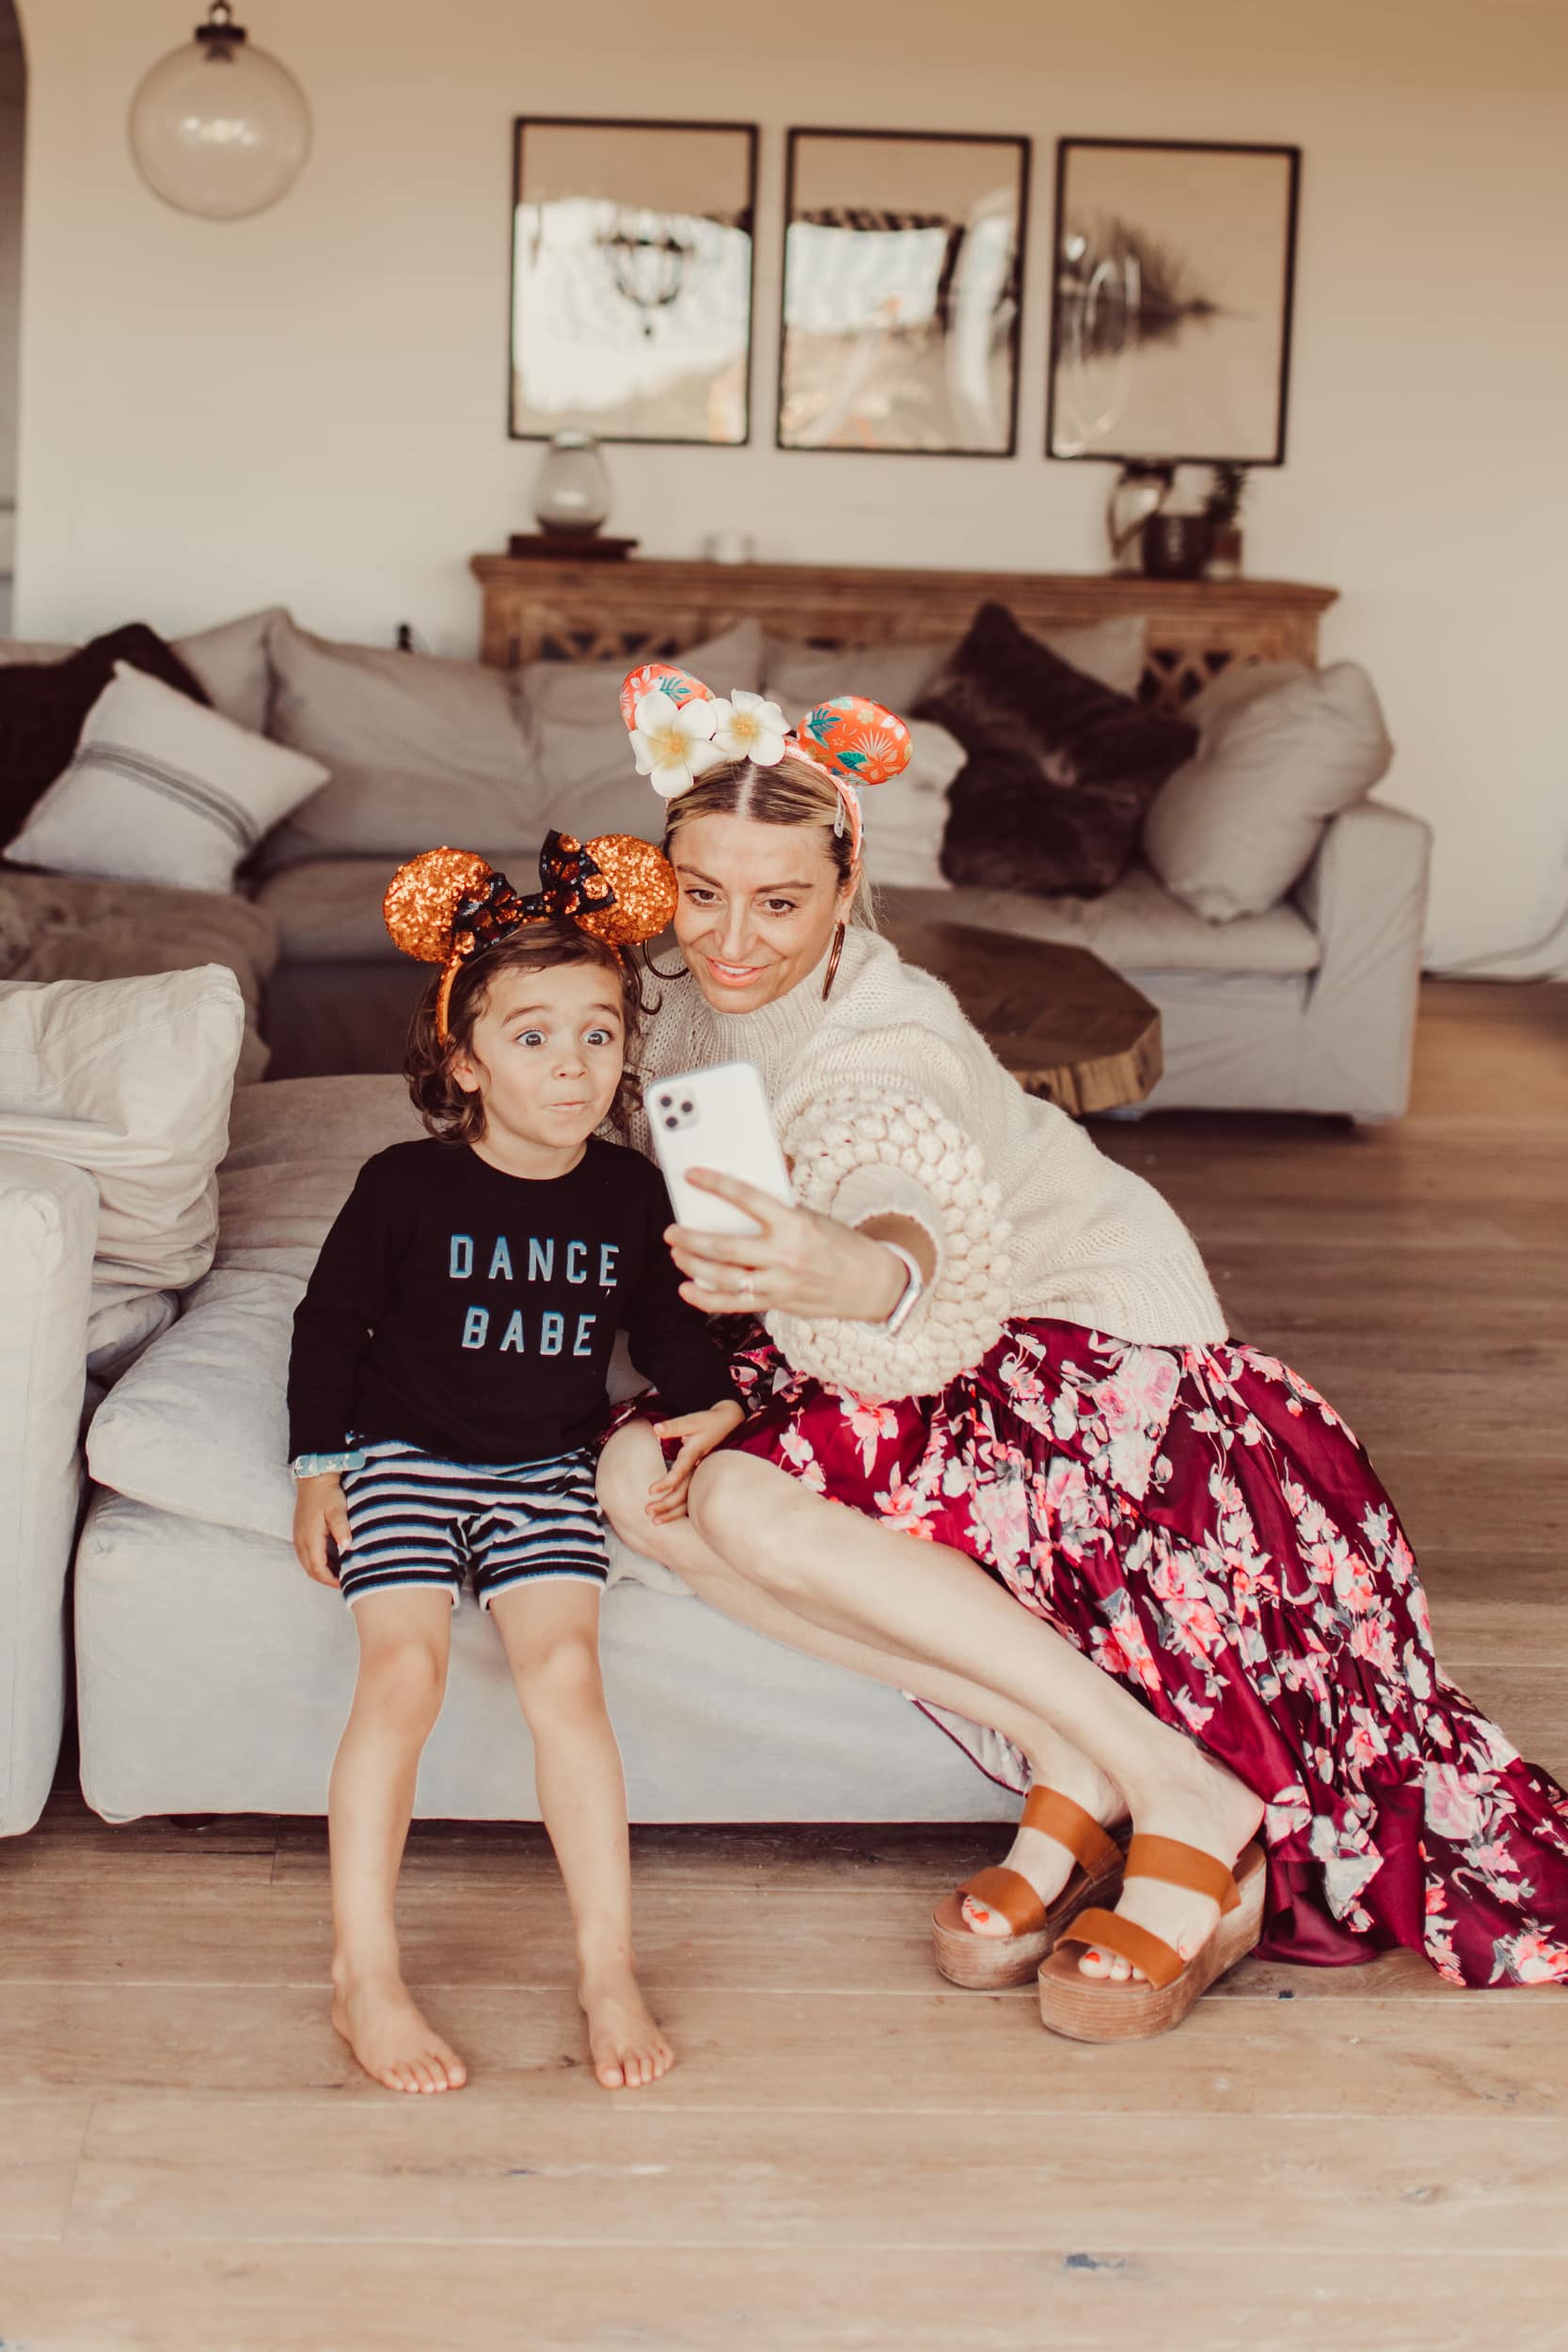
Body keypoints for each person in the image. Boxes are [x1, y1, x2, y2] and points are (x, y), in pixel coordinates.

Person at [598, 663, 1568, 2035]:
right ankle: (1077, 1752)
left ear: (844, 892)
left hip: (1063, 1326)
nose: (735, 936)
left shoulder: (894, 1034)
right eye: (704, 893)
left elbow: (906, 1202)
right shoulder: (667, 993)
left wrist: (854, 1266)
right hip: (839, 1332)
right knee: (638, 1486)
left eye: (780, 901)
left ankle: (1186, 1791)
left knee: (746, 1496)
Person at [289, 834, 743, 2095]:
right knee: (407, 1669)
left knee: (565, 1674)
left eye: (599, 1035)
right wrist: (319, 1470)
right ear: (463, 1060)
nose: (573, 1065)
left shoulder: (625, 1192)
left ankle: (605, 1964)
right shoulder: (402, 1186)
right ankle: (362, 1971)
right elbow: (329, 1328)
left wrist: (711, 1405)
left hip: (543, 1467)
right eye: (533, 1037)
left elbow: (665, 1332)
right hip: (406, 1458)